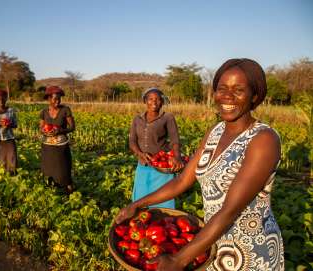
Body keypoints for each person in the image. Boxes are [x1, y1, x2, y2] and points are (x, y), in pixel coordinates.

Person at [116, 59, 284, 270]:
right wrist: (137, 204)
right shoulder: (215, 132)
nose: (227, 96)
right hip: (210, 242)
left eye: (239, 90)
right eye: (222, 89)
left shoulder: (263, 139)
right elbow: (182, 181)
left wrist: (179, 259)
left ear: (255, 96)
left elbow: (230, 210)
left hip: (249, 248)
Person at [129, 87, 184, 209]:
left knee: (163, 199)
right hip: (143, 164)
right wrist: (139, 153)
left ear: (162, 102)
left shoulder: (167, 117)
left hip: (161, 166)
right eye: (150, 99)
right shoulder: (137, 119)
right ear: (145, 101)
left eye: (158, 99)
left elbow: (175, 139)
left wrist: (177, 156)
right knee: (140, 197)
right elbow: (132, 141)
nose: (154, 102)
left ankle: (164, 221)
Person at [40, 86, 75, 194]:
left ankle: (68, 190)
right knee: (48, 168)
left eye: (59, 99)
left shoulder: (65, 110)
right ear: (49, 99)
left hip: (61, 145)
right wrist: (45, 131)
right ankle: (51, 189)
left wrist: (59, 131)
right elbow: (41, 128)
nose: (57, 101)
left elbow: (72, 127)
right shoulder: (44, 112)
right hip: (47, 145)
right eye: (55, 99)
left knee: (63, 168)